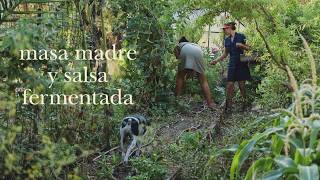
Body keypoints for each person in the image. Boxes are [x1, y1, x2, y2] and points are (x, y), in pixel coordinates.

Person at [210, 22, 251, 112]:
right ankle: (229, 107)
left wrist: (241, 45)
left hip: (241, 63)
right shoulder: (227, 40)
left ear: (230, 28)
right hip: (232, 64)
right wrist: (216, 60)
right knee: (229, 85)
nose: (224, 31)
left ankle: (244, 104)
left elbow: (249, 48)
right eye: (223, 29)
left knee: (241, 85)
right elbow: (225, 54)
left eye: (225, 29)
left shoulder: (241, 36)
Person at [174, 36, 216, 109]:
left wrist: (183, 72)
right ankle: (210, 103)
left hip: (185, 51)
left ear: (180, 42)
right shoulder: (193, 44)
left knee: (180, 76)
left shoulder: (179, 45)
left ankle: (177, 100)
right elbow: (192, 68)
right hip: (198, 51)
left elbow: (178, 58)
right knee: (203, 81)